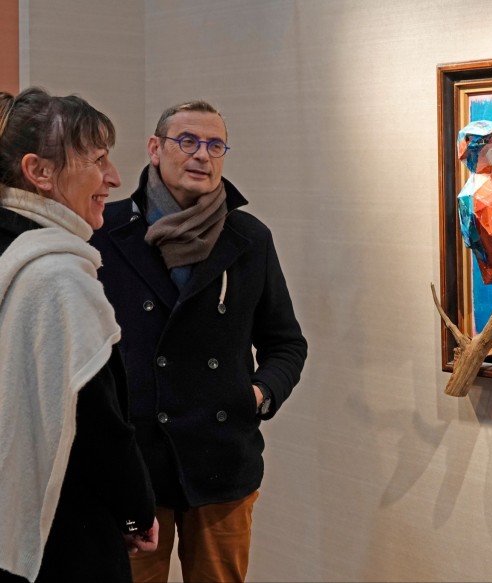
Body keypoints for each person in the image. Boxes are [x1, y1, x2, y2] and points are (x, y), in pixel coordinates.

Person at [90, 99, 308, 583]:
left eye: (214, 145)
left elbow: (286, 343)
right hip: (133, 464)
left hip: (222, 461)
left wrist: (258, 394)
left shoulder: (248, 237)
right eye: (187, 141)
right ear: (155, 148)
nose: (202, 155)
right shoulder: (105, 232)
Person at [0, 88, 158, 583]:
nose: (114, 178)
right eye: (97, 160)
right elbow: (98, 425)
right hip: (63, 534)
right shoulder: (58, 277)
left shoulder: (13, 250)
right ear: (39, 172)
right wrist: (136, 510)